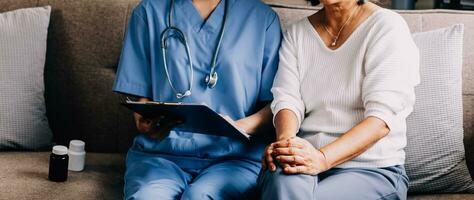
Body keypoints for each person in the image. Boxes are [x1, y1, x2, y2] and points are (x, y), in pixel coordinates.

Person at [112, 0, 281, 199]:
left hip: (235, 158)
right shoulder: (148, 12)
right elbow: (141, 98)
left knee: (200, 197)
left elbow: (278, 104)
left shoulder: (262, 19)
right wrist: (145, 121)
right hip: (162, 155)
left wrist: (239, 126)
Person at [258, 0, 419, 199]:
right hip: (304, 160)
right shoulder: (297, 33)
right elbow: (287, 99)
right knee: (282, 182)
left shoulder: (387, 27)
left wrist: (322, 158)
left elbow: (381, 121)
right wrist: (287, 145)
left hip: (371, 169)